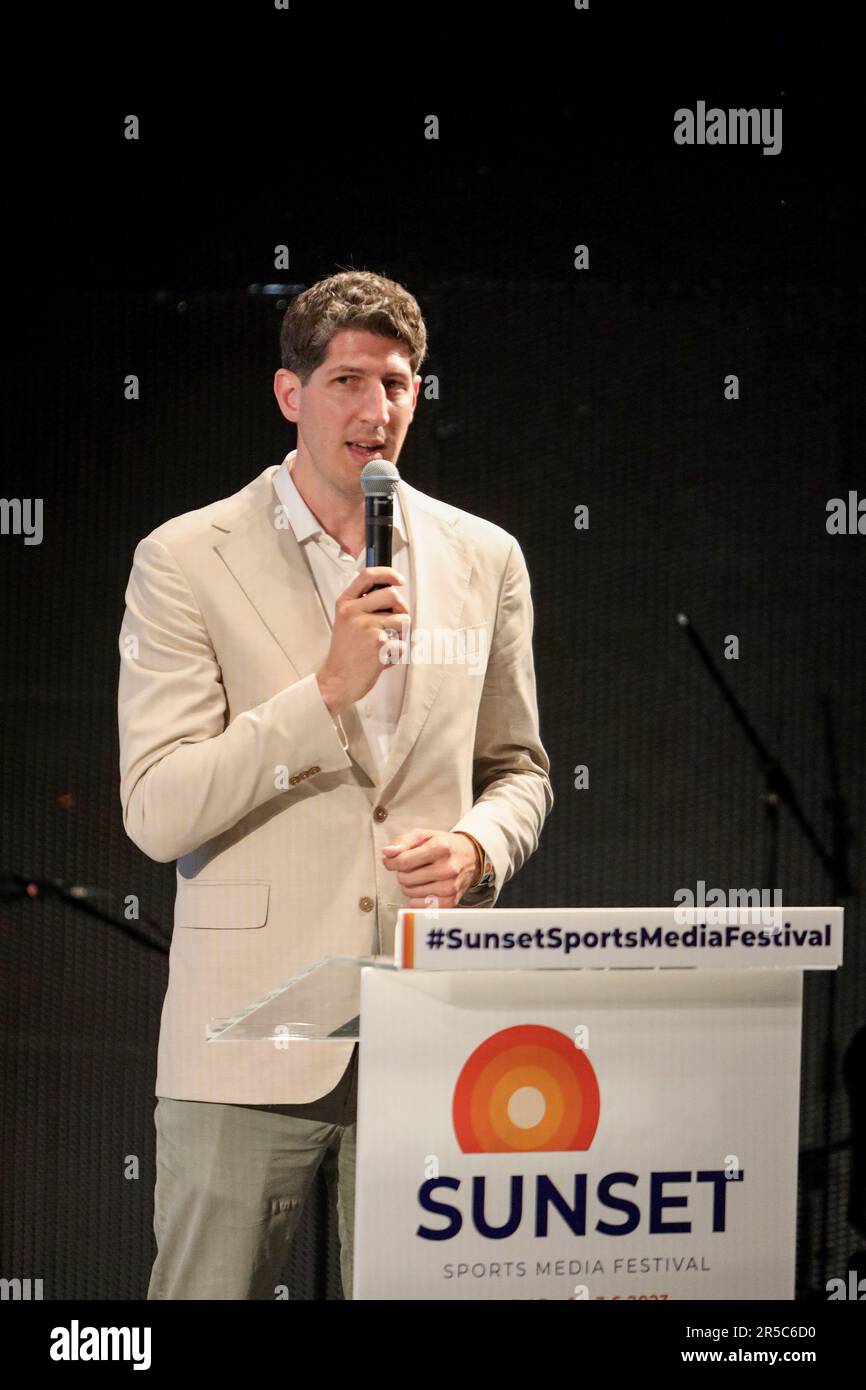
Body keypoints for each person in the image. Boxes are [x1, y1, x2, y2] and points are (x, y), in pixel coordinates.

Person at [117, 269, 553, 1300]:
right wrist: (322, 694)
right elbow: (159, 806)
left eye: (397, 383)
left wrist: (480, 847)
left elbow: (517, 770)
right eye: (347, 380)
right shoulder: (186, 558)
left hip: (429, 1028)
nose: (375, 410)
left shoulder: (482, 557)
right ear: (288, 393)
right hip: (248, 1037)